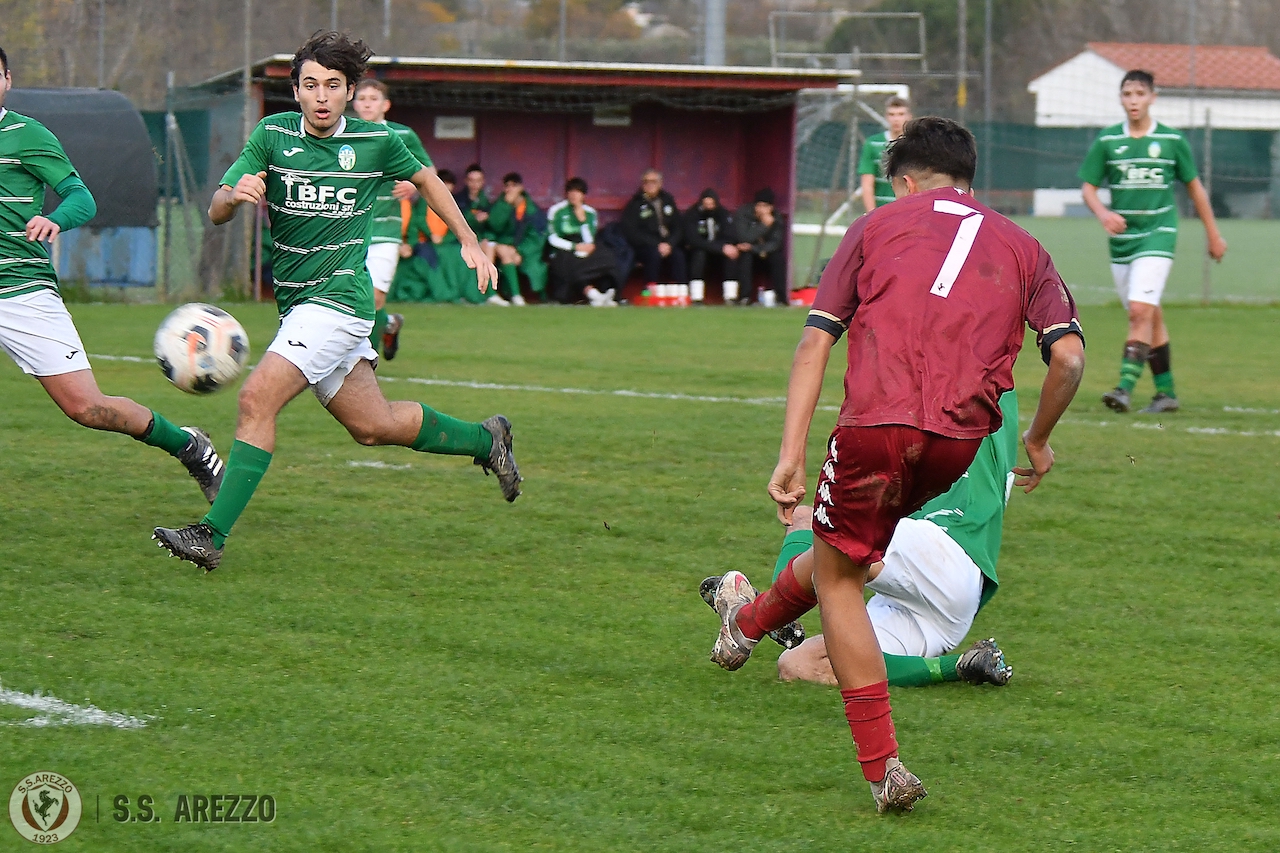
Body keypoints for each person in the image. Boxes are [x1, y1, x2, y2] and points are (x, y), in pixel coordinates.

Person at [703, 117, 1085, 814]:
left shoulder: (877, 225)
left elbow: (815, 345)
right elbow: (1069, 356)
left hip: (877, 426)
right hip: (958, 443)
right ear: (970, 179)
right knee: (851, 552)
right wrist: (1037, 437)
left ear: (904, 181)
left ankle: (883, 768)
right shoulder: (1025, 245)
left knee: (837, 569)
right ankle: (745, 624)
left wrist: (790, 454)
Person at [152, 31, 521, 574]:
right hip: (299, 303)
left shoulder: (377, 141)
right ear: (296, 92)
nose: (320, 95)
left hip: (338, 302)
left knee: (256, 399)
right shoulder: (272, 134)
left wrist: (467, 239)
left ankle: (211, 534)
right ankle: (485, 438)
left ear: (350, 91)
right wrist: (235, 196)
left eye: (332, 85)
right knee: (372, 425)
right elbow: (215, 209)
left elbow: (427, 179)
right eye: (309, 84)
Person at [0, 44, 225, 508]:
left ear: (6, 80)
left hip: (20, 290)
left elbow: (82, 198)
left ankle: (188, 446)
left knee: (87, 407)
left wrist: (56, 219)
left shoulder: (27, 135)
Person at [701, 390, 1020, 690]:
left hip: (945, 550)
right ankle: (965, 665)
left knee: (835, 538)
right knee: (797, 664)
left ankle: (756, 619)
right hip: (947, 606)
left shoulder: (972, 384)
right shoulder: (972, 391)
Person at [1081, 69, 1226, 415]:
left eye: (1140, 94)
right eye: (1128, 94)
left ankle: (1124, 388)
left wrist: (1213, 234)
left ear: (1153, 98)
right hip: (1123, 242)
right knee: (1151, 316)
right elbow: (1088, 188)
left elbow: (1195, 188)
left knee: (1139, 312)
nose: (1134, 101)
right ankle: (1167, 393)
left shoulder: (1173, 141)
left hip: (1159, 234)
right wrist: (1103, 213)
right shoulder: (1107, 141)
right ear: (1121, 99)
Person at [351, 77, 431, 360]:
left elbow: (427, 171)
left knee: (373, 298)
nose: (367, 103)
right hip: (350, 230)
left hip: (386, 230)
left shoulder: (402, 135)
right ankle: (389, 324)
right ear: (353, 103)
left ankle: (364, 362)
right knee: (352, 299)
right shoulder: (343, 135)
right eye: (362, 98)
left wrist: (413, 184)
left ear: (385, 105)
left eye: (373, 99)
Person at [546, 177, 621, 306]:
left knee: (608, 257)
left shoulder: (590, 212)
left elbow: (590, 240)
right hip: (564, 247)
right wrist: (574, 247)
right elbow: (552, 238)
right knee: (569, 263)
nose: (574, 195)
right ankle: (592, 294)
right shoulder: (556, 210)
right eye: (571, 191)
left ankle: (605, 293)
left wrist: (583, 222)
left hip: (584, 246)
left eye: (578, 192)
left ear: (583, 195)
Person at [485, 172, 548, 305]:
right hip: (501, 246)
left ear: (521, 188)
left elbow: (537, 238)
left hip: (526, 251)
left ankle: (515, 295)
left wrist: (520, 251)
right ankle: (514, 295)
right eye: (507, 186)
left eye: (514, 186)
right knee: (498, 248)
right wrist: (505, 205)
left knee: (507, 252)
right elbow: (494, 225)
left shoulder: (531, 209)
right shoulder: (500, 204)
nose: (510, 189)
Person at [621, 169, 686, 288]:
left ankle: (680, 290)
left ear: (660, 183)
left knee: (678, 255)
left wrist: (670, 244)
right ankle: (650, 290)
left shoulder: (668, 200)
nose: (650, 184)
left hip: (668, 244)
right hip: (645, 246)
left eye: (653, 181)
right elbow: (631, 232)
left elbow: (678, 227)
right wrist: (656, 244)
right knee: (653, 255)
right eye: (646, 182)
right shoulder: (635, 204)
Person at [453, 163, 502, 305]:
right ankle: (487, 292)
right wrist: (474, 219)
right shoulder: (458, 199)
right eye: (472, 180)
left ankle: (491, 291)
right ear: (466, 181)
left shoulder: (486, 200)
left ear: (483, 182)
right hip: (458, 240)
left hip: (480, 240)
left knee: (489, 244)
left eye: (478, 181)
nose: (475, 184)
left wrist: (487, 218)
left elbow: (494, 226)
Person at [729, 188, 787, 306]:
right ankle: (745, 297)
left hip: (764, 252)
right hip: (748, 254)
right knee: (746, 257)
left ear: (771, 207)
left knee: (777, 259)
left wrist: (754, 248)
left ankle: (781, 298)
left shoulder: (776, 217)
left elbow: (776, 243)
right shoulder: (744, 214)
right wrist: (764, 225)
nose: (761, 209)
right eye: (759, 205)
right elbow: (744, 237)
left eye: (765, 206)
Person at [857, 96, 912, 214]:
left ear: (909, 116)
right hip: (882, 212)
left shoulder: (916, 144)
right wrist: (872, 215)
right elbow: (867, 185)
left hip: (909, 212)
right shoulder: (872, 143)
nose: (896, 119)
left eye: (901, 114)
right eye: (892, 114)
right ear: (886, 117)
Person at [683, 188, 736, 304]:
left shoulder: (723, 214)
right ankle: (697, 297)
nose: (709, 206)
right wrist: (719, 247)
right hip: (698, 251)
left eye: (711, 204)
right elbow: (693, 239)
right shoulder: (692, 214)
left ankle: (730, 297)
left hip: (719, 253)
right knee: (699, 254)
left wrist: (724, 248)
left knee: (731, 253)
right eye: (706, 204)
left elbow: (729, 235)